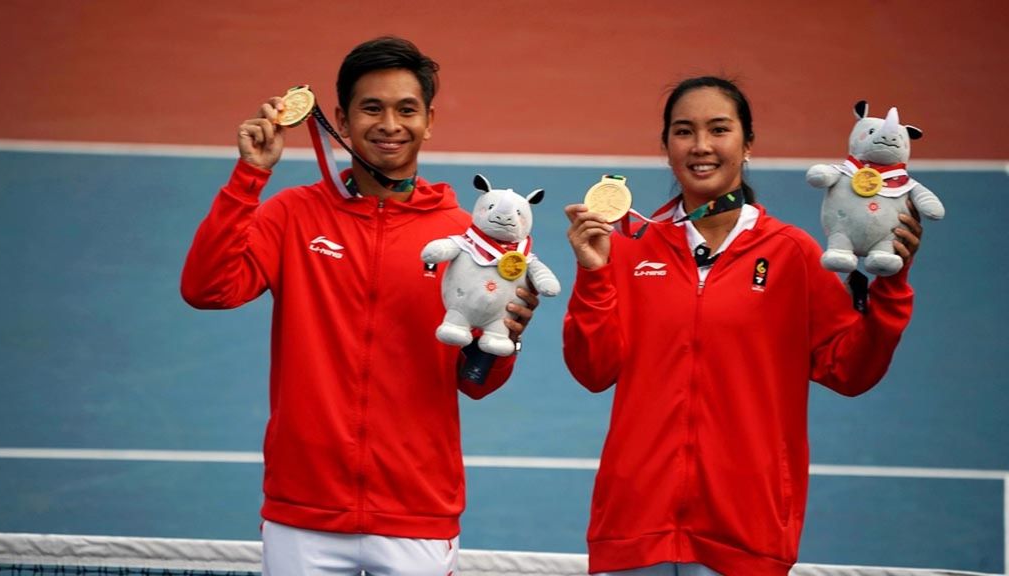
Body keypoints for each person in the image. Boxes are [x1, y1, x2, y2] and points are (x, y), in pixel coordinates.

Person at [181, 36, 537, 576]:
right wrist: (249, 177)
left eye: (406, 109)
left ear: (429, 121)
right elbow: (207, 289)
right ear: (342, 122)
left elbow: (476, 381)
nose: (390, 123)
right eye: (372, 108)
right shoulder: (292, 216)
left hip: (416, 511)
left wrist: (508, 337)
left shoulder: (467, 240)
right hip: (304, 510)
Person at [563, 76, 922, 575]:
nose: (702, 146)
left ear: (747, 144)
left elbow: (851, 372)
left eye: (719, 129)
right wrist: (595, 275)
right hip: (633, 527)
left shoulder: (792, 254)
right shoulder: (629, 248)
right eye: (684, 132)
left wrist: (891, 287)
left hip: (744, 533)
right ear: (666, 147)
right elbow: (593, 369)